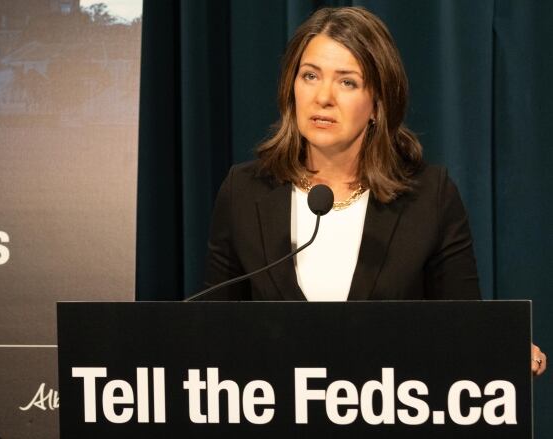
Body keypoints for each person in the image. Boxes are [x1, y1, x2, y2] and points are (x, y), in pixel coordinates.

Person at [200, 6, 546, 376]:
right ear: (291, 88)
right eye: (310, 76)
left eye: (347, 82)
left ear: (378, 103)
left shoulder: (429, 197)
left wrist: (499, 345)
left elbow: (463, 323)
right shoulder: (245, 191)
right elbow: (211, 328)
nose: (323, 97)